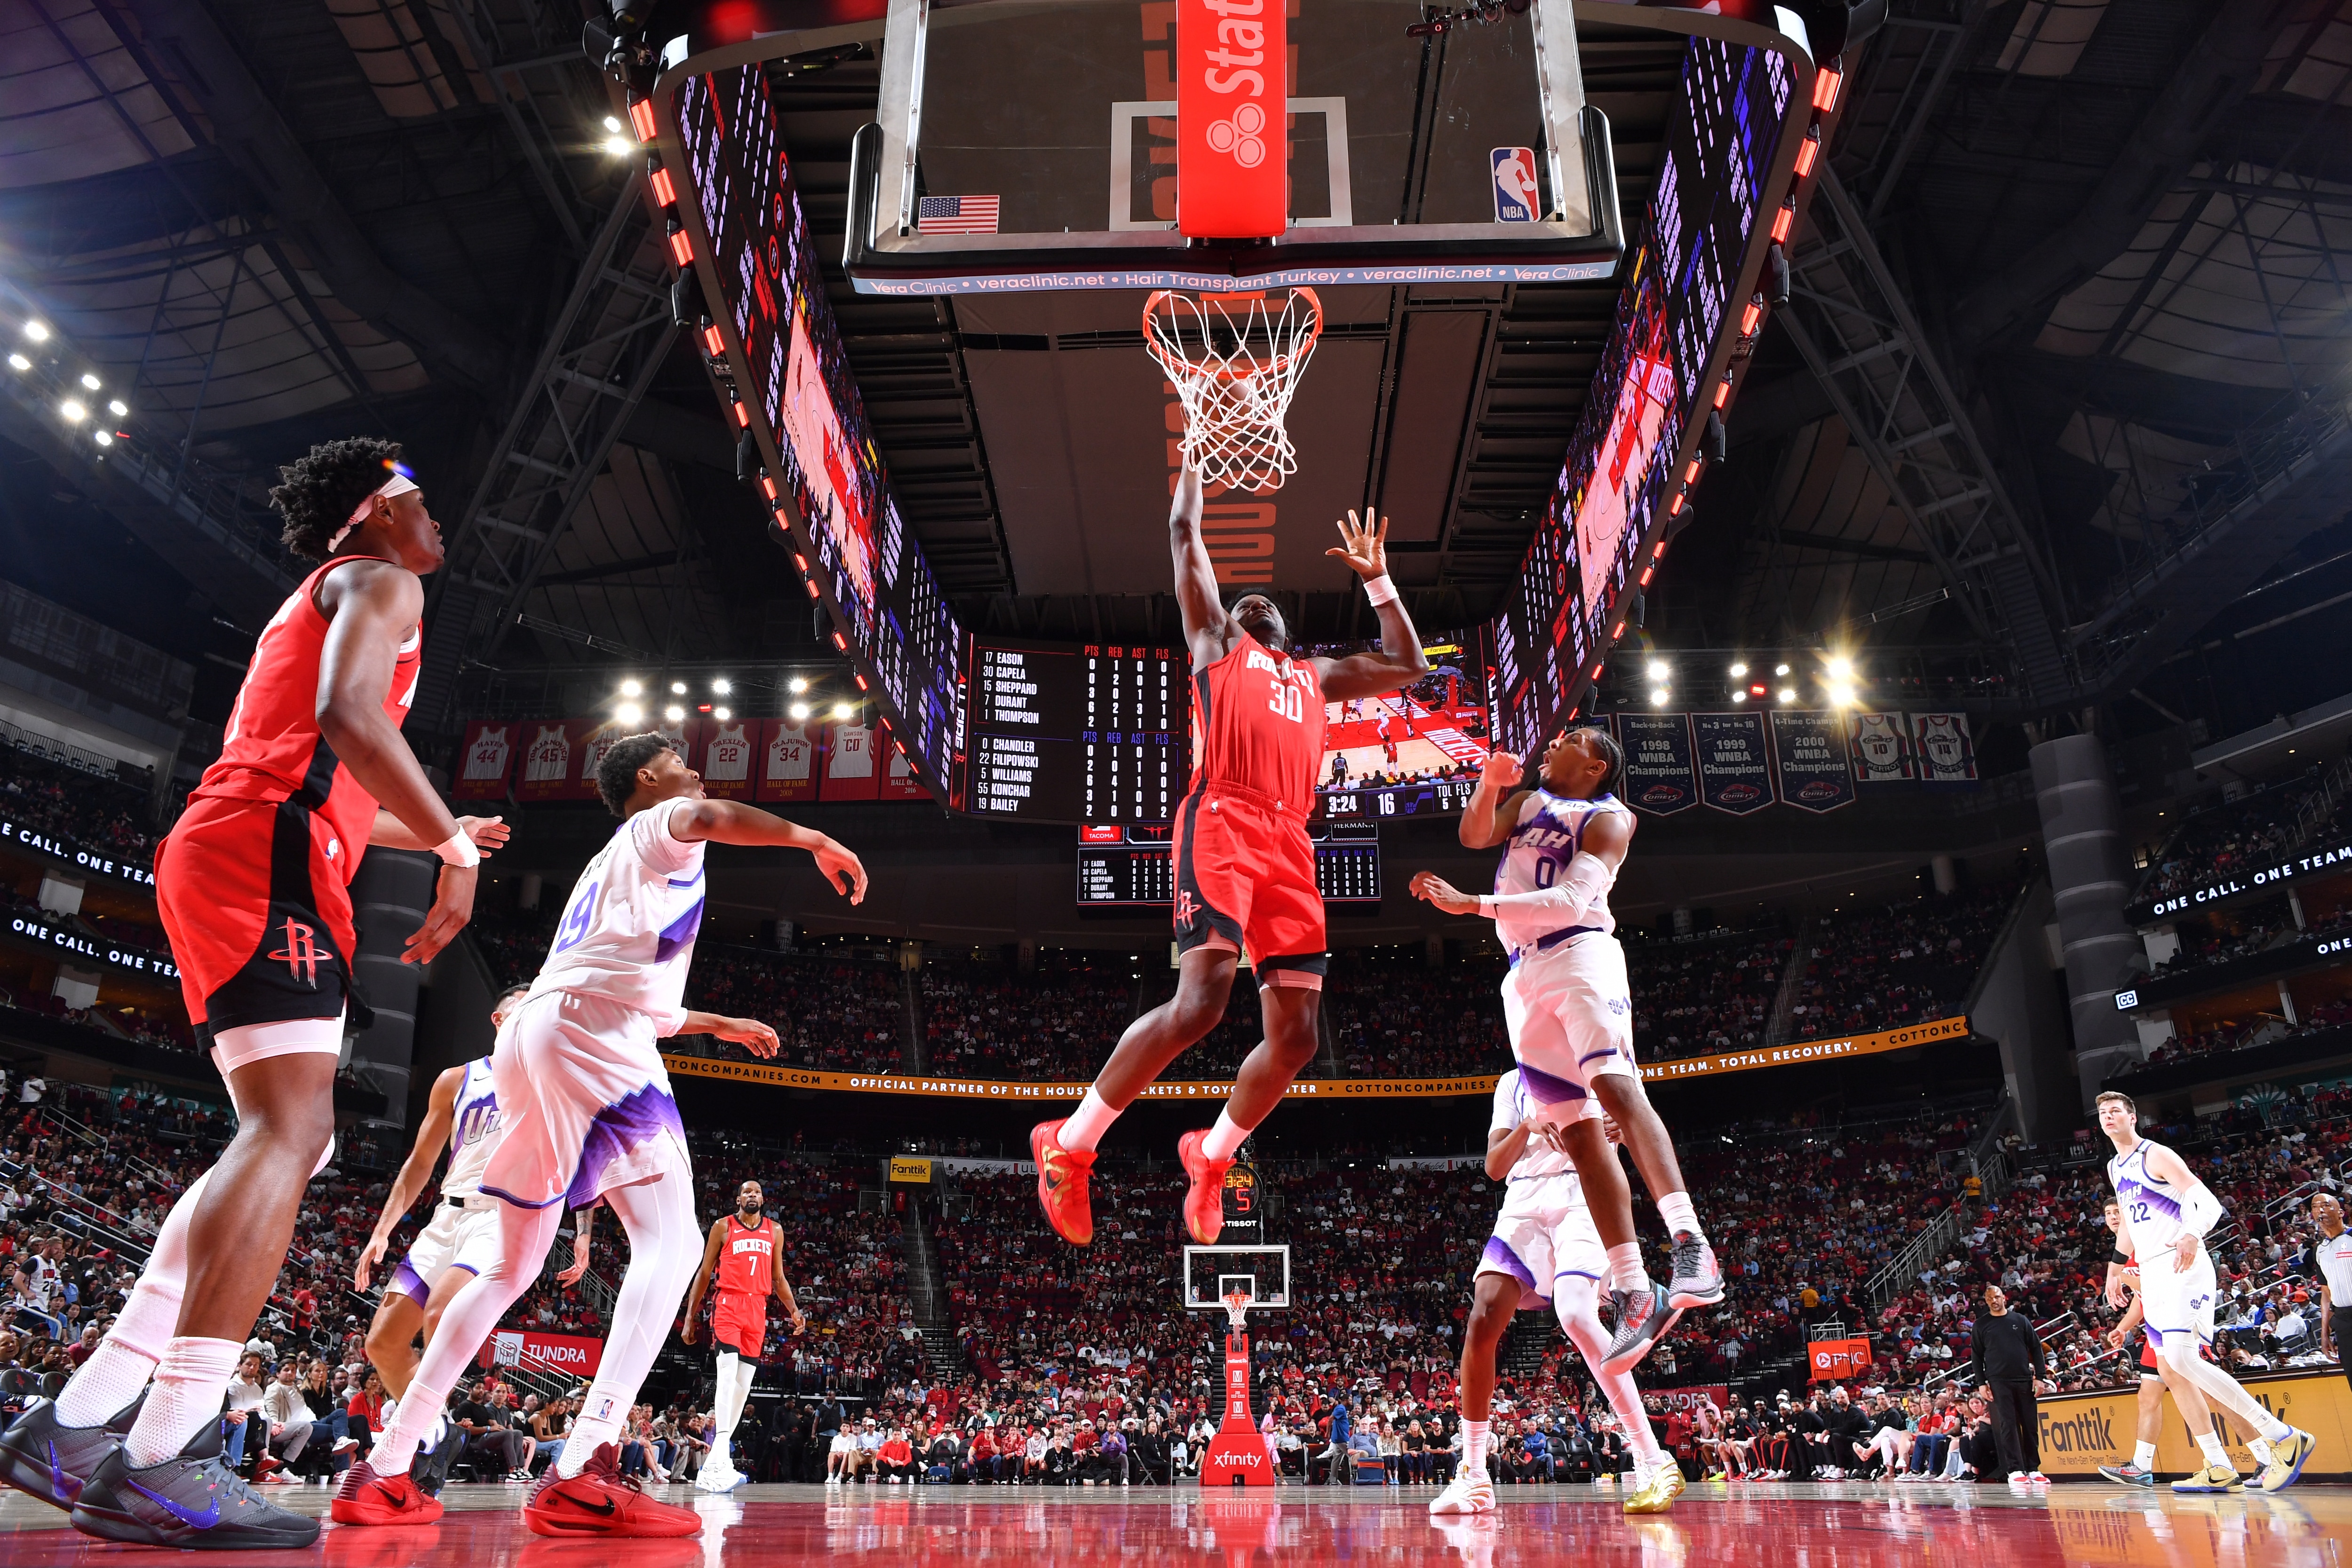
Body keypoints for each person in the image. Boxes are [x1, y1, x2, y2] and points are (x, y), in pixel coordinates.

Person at [0, 439, 505, 1551]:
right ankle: (161, 1455)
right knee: (290, 1131)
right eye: (420, 500)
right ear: (375, 511)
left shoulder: (336, 590)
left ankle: (74, 1424)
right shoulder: (383, 580)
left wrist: (439, 832)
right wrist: (456, 851)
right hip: (264, 849)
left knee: (290, 1142)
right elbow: (350, 719)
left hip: (261, 845)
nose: (436, 521)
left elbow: (338, 765)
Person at [335, 731, 865, 1536]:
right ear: (648, 777)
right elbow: (712, 815)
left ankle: (387, 1466)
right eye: (680, 761)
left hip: (534, 1040)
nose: (695, 769)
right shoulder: (659, 823)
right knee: (673, 1244)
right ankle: (585, 1463)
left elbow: (638, 992)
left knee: (510, 1265)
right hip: (595, 1037)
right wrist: (813, 837)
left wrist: (719, 1024)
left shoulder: (612, 866)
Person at [1032, 470, 1430, 1245]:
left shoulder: (1314, 676)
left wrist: (1379, 579)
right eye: (1242, 602)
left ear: (1286, 629)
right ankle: (1070, 1145)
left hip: (1291, 841)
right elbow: (1184, 534)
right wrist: (1194, 461)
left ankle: (1211, 1156)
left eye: (1265, 604)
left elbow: (1408, 663)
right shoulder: (1216, 644)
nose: (1254, 604)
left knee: (1299, 1037)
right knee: (1202, 1003)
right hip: (1223, 817)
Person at [1410, 726, 1725, 1371]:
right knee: (1579, 1135)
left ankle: (1692, 1245)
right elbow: (1474, 835)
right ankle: (1634, 1287)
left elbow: (1571, 898)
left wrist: (1474, 904)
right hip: (1521, 973)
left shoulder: (1609, 817)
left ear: (1597, 764)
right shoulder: (1528, 803)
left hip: (1580, 951)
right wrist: (1488, 785)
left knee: (1616, 1090)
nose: (1553, 742)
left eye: (1571, 739)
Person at [1431, 1073, 1677, 1520]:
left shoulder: (1601, 1062)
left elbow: (1645, 1126)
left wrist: (1627, 1128)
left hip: (1585, 1193)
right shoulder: (1513, 1082)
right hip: (1523, 1201)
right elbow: (1494, 1167)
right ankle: (1474, 1475)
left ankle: (1651, 1457)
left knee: (1577, 1315)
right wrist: (1527, 1126)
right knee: (1483, 1316)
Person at [2099, 1089, 2316, 1492]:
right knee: (2173, 1368)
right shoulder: (2115, 1166)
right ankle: (2222, 1463)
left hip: (2181, 1263)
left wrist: (2192, 1233)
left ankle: (2283, 1437)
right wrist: (2114, 1268)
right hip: (2153, 1271)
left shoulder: (2155, 1155)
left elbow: (2210, 1204)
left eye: (2115, 1111)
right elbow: (2129, 1222)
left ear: (2133, 1117)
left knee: (2184, 1359)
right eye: (2103, 1113)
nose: (2108, 1117)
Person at [681, 1178, 804, 1492]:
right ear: (739, 1199)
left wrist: (793, 1309)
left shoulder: (775, 1231)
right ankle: (721, 1459)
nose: (752, 1195)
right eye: (747, 1191)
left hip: (757, 1309)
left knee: (743, 1386)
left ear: (763, 1199)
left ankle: (715, 1462)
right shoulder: (723, 1227)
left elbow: (778, 1278)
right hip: (729, 1304)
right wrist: (690, 1317)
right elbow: (705, 1272)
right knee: (726, 1377)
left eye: (757, 1192)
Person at [2094, 1196, 2217, 1487]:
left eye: (2118, 1211)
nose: (2114, 1217)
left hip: (2178, 1319)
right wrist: (2123, 1328)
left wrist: (2118, 1275)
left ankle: (2257, 1451)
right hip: (2156, 1327)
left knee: (2212, 1394)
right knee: (2148, 1397)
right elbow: (2142, 1298)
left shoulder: (2147, 1240)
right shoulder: (2122, 1255)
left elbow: (2153, 1285)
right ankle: (2142, 1466)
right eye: (2109, 1213)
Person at [2314, 1192, 2352, 1398]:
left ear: (2341, 1213)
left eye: (2326, 1205)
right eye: (2315, 1207)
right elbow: (2326, 1295)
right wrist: (2325, 1333)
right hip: (2343, 1322)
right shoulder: (2320, 1250)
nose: (2320, 1210)